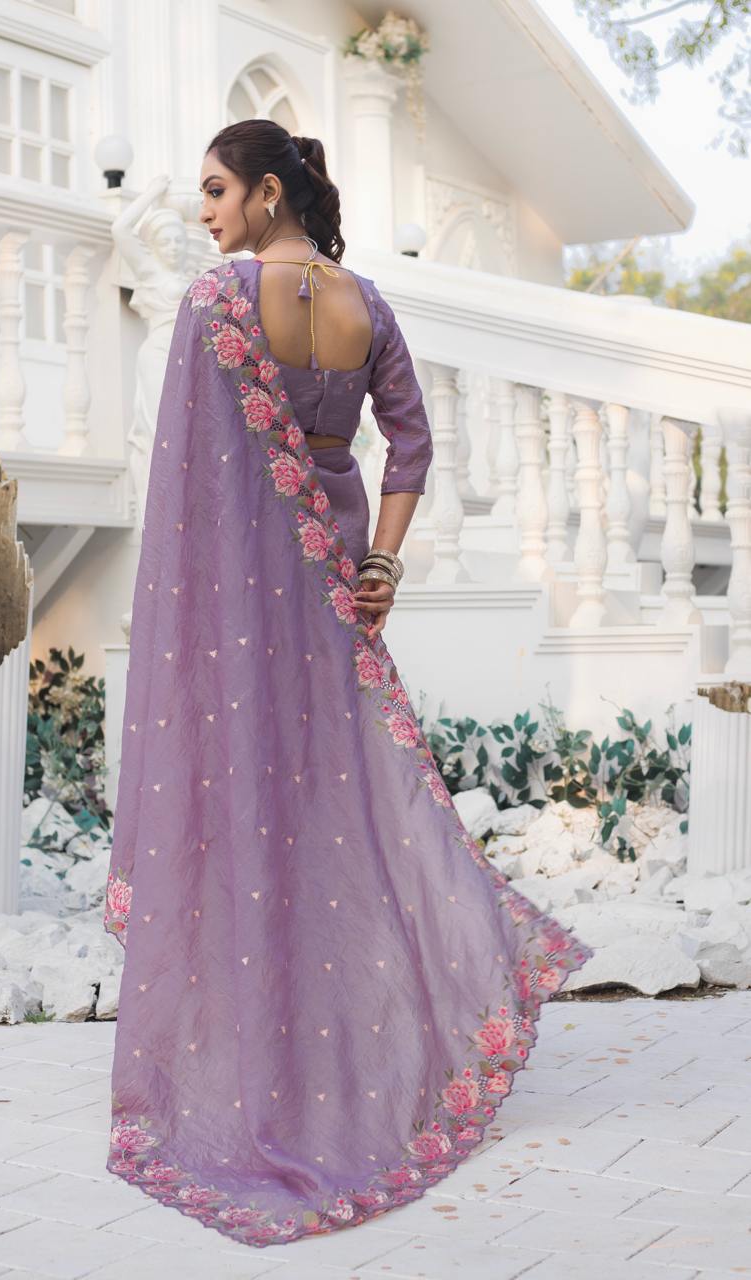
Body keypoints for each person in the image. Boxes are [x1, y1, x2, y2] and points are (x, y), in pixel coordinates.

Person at [102, 119, 594, 1249]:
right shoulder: (365, 302)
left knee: (252, 804)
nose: (205, 213)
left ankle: (264, 1063)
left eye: (217, 190)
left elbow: (189, 486)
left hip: (247, 589)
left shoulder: (218, 303)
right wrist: (382, 563)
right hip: (336, 576)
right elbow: (408, 448)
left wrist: (182, 620)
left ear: (268, 193)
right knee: (333, 800)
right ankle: (356, 1039)